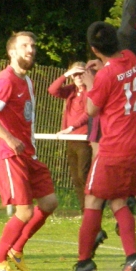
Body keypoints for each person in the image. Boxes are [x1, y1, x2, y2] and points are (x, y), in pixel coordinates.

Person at [70, 21, 136, 271]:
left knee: (92, 199)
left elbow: (92, 109)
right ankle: (131, 257)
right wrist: (102, 69)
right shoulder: (130, 58)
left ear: (94, 48)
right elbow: (118, 74)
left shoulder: (103, 76)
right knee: (118, 200)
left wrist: (92, 79)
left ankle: (84, 261)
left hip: (115, 146)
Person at [0, 32, 59, 271]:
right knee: (24, 211)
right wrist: (10, 139)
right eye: (24, 46)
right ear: (12, 52)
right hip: (8, 153)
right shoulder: (6, 80)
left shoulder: (27, 81)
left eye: (33, 45)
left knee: (49, 202)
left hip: (26, 154)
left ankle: (17, 248)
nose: (30, 50)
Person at [48, 62, 92, 196]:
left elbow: (88, 113)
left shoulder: (90, 90)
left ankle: (92, 207)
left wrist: (71, 127)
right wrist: (65, 75)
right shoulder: (71, 89)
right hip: (70, 139)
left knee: (83, 174)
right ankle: (83, 209)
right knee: (76, 178)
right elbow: (52, 90)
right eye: (75, 74)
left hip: (83, 139)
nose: (78, 77)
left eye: (81, 74)